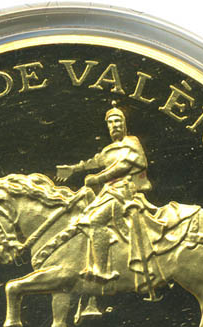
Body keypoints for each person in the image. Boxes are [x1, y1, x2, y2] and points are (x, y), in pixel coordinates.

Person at [56, 102, 152, 282]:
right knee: (82, 212)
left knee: (95, 221)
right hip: (110, 193)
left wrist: (98, 178)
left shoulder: (132, 143)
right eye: (111, 122)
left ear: (124, 124)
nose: (115, 125)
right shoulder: (109, 150)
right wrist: (73, 169)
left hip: (125, 193)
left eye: (118, 121)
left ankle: (102, 270)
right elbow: (94, 161)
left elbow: (126, 164)